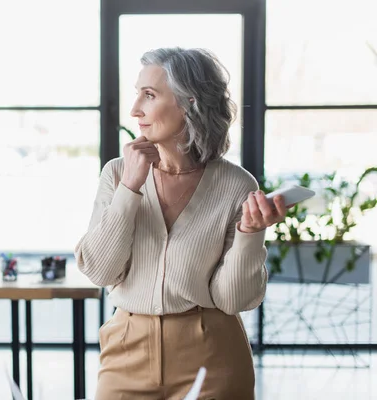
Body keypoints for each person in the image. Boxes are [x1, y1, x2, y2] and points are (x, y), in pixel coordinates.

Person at [75, 47, 288, 400]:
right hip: (126, 352)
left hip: (213, 357)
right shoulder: (117, 173)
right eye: (138, 93)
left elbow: (232, 298)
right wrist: (130, 188)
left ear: (189, 103)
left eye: (150, 95)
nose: (134, 110)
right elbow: (100, 270)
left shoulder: (237, 185)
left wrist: (250, 234)